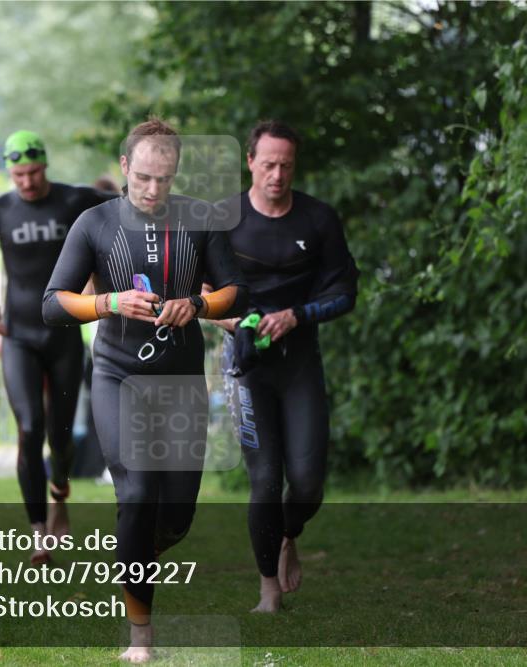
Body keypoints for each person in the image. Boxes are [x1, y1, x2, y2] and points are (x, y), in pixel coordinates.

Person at [43, 118, 248, 663]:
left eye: (165, 178)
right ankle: (141, 635)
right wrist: (107, 303)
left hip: (180, 381)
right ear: (125, 167)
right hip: (118, 375)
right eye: (143, 178)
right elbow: (52, 303)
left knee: (175, 517)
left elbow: (236, 291)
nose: (154, 189)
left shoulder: (199, 219)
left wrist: (198, 304)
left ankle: (136, 555)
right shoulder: (94, 223)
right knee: (135, 496)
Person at [214, 120, 358, 613]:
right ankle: (268, 591)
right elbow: (201, 293)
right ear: (250, 162)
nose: (277, 175)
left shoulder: (318, 219)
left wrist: (296, 315)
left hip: (299, 363)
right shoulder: (225, 219)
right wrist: (235, 322)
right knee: (265, 481)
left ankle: (288, 534)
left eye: (287, 166)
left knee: (308, 483)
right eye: (269, 164)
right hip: (247, 365)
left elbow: (345, 294)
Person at [0, 131, 115, 564]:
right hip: (19, 336)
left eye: (34, 172)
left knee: (60, 435)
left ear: (45, 166)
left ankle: (60, 493)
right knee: (29, 428)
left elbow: (127, 205)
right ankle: (38, 532)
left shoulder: (73, 200)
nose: (27, 182)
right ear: (9, 171)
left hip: (64, 336)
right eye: (19, 174)